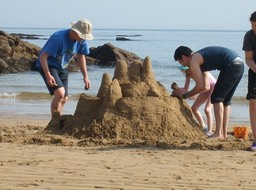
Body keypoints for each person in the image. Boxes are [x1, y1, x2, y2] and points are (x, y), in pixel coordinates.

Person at [172, 46, 244, 139]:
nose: (183, 65)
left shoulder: (194, 60)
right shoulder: (200, 56)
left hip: (230, 65)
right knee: (225, 101)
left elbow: (200, 86)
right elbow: (205, 86)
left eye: (181, 62)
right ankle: (223, 134)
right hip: (239, 64)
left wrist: (184, 95)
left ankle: (218, 133)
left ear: (183, 57)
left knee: (216, 98)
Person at [36, 18, 94, 117]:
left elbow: (81, 56)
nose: (83, 38)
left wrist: (85, 77)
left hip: (62, 67)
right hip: (48, 65)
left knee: (65, 98)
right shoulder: (59, 38)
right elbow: (43, 56)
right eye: (82, 35)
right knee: (59, 93)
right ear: (75, 31)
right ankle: (54, 120)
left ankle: (56, 120)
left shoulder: (81, 41)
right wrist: (48, 75)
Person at [172, 68, 216, 136]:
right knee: (194, 108)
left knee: (207, 109)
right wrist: (177, 89)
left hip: (213, 88)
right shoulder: (187, 75)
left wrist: (194, 94)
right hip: (205, 90)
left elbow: (205, 86)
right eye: (185, 72)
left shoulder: (198, 73)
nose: (187, 74)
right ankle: (204, 127)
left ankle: (209, 131)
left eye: (188, 72)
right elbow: (185, 88)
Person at [242, 11, 256, 151]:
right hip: (254, 72)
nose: (254, 28)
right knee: (253, 103)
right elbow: (248, 58)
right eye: (252, 25)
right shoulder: (249, 36)